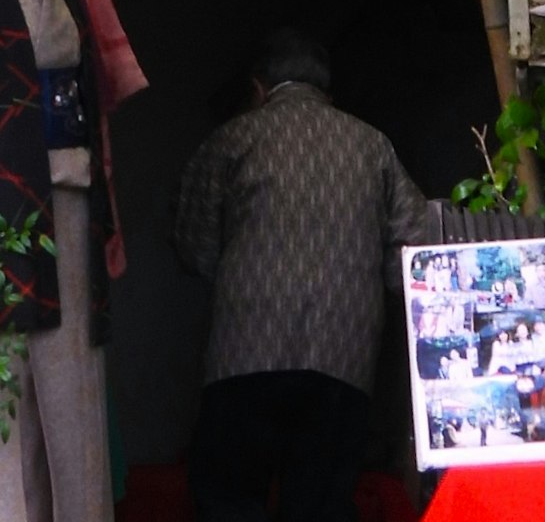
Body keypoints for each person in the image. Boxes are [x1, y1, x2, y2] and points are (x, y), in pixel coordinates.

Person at [174, 30, 425, 522]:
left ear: (258, 88)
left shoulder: (233, 139)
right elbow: (412, 253)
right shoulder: (374, 146)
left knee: (229, 498)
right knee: (321, 505)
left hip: (244, 358)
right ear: (328, 95)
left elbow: (194, 245)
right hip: (343, 359)